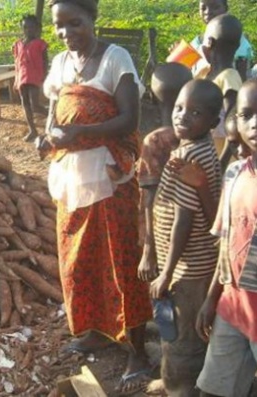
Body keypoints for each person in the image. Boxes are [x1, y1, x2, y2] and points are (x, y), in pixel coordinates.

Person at [39, 0, 153, 394]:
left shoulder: (115, 58)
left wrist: (81, 135)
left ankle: (138, 349)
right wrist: (47, 135)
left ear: (93, 19)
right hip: (71, 177)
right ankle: (97, 329)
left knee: (119, 260)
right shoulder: (60, 63)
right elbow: (53, 116)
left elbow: (130, 119)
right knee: (79, 258)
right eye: (59, 25)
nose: (67, 32)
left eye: (76, 22)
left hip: (108, 177)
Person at [150, 79, 223, 397]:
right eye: (180, 108)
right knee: (173, 326)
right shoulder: (190, 148)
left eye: (195, 113)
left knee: (184, 333)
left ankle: (181, 387)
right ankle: (172, 379)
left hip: (189, 267)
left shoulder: (195, 158)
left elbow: (184, 219)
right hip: (181, 263)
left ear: (213, 122)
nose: (182, 116)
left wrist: (166, 271)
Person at [195, 78, 257, 397]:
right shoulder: (234, 174)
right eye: (247, 115)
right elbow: (227, 243)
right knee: (214, 389)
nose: (255, 123)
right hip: (233, 307)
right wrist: (212, 297)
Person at [137, 63, 193, 282]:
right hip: (190, 229)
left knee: (162, 290)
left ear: (151, 94)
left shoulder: (156, 140)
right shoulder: (197, 132)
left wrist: (148, 249)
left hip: (161, 232)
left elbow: (149, 198)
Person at [196, 14, 244, 159]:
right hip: (201, 155)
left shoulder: (229, 77)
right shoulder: (205, 73)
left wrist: (222, 164)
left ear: (209, 42)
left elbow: (234, 124)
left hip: (217, 158)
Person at [190, 0, 253, 81]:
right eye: (203, 8)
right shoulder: (196, 43)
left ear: (226, 8)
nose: (208, 12)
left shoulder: (236, 39)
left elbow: (242, 74)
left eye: (215, 7)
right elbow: (189, 71)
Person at [12, 14, 48, 142]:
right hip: (21, 77)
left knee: (35, 105)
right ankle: (32, 130)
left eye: (31, 27)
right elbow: (16, 62)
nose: (28, 30)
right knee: (25, 104)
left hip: (34, 77)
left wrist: (45, 76)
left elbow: (45, 61)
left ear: (37, 28)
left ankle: (52, 116)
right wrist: (16, 79)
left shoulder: (40, 44)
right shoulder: (17, 44)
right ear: (22, 28)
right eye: (25, 27)